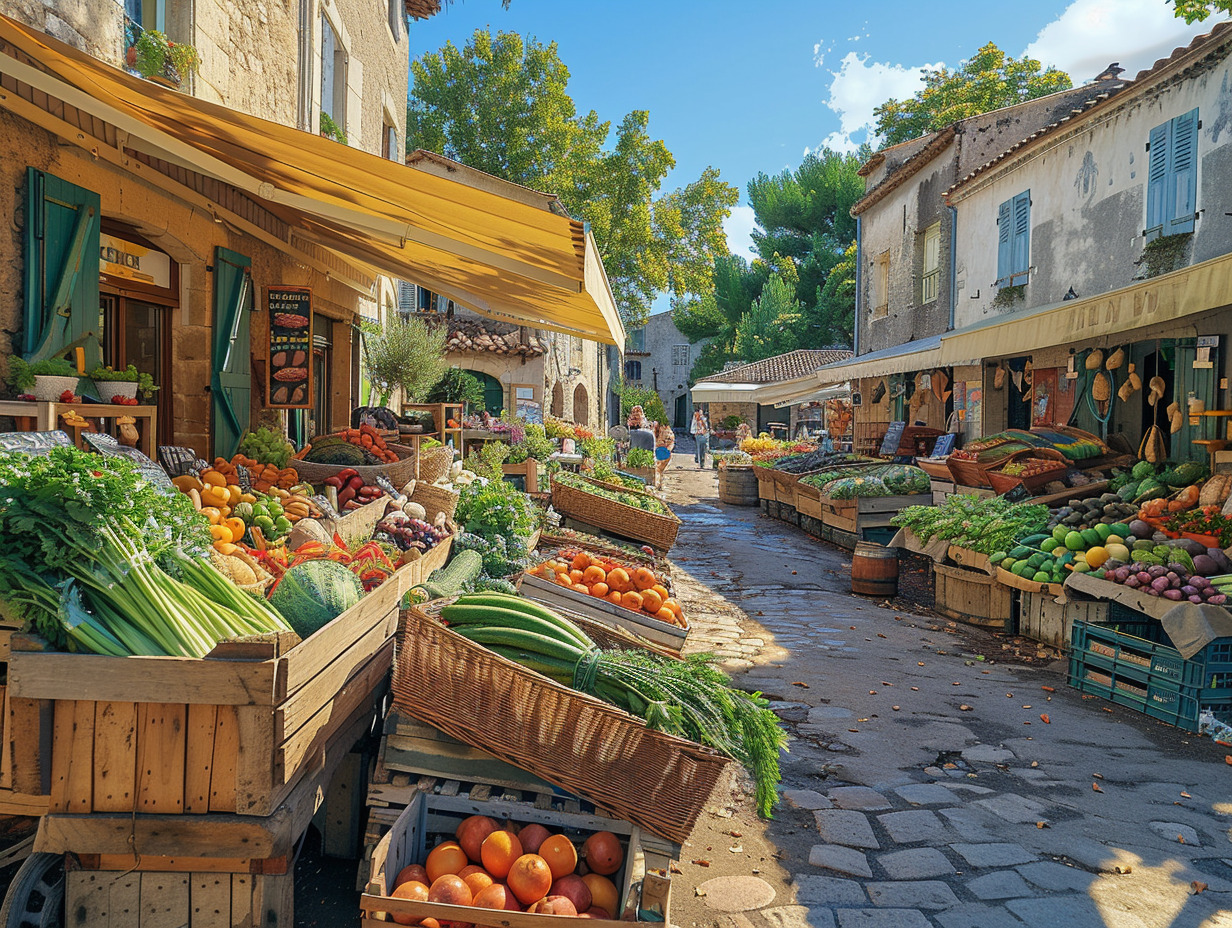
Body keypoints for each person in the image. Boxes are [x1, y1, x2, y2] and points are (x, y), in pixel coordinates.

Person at [653, 422, 675, 488]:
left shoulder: (661, 431)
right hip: (665, 451)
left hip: (660, 451)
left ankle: (658, 483)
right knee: (660, 470)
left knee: (657, 469)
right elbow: (672, 442)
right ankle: (660, 483)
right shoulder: (669, 432)